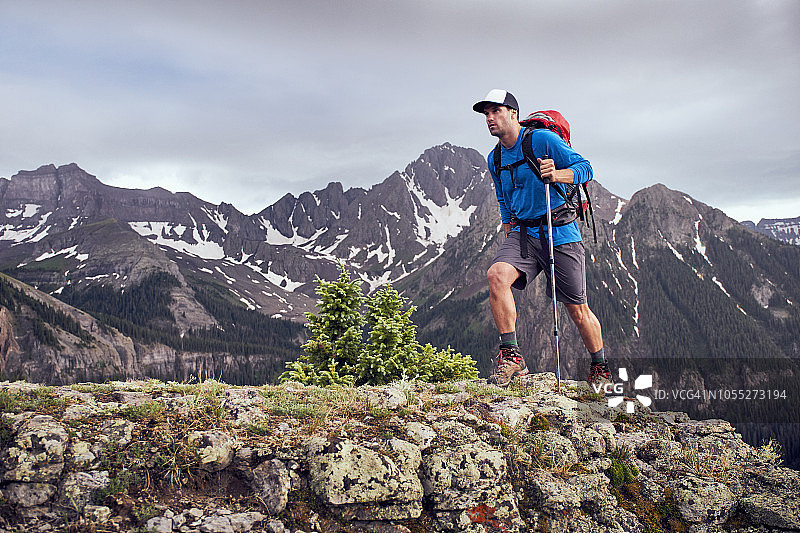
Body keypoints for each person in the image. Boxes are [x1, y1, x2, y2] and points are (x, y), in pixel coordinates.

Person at [473, 89, 611, 388]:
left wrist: (559, 174)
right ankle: (511, 356)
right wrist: (508, 222)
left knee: (576, 309)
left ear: (513, 114)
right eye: (486, 114)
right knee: (496, 275)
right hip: (523, 233)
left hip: (560, 231)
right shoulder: (494, 158)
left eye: (495, 111)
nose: (489, 118)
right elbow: (501, 193)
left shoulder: (542, 140)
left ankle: (600, 367)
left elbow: (586, 168)